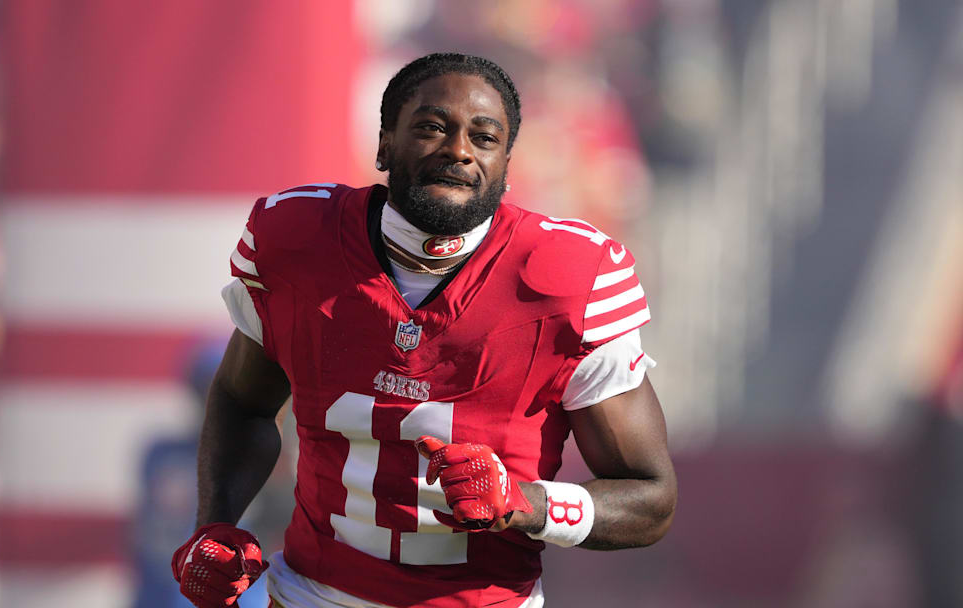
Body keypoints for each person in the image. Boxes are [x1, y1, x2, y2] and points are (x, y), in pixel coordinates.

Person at [172, 52, 677, 608]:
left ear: (506, 164)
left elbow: (650, 498)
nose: (458, 150)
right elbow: (243, 401)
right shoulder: (298, 240)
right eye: (433, 127)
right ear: (385, 143)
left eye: (483, 138)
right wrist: (213, 525)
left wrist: (523, 502)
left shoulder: (569, 278)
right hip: (310, 595)